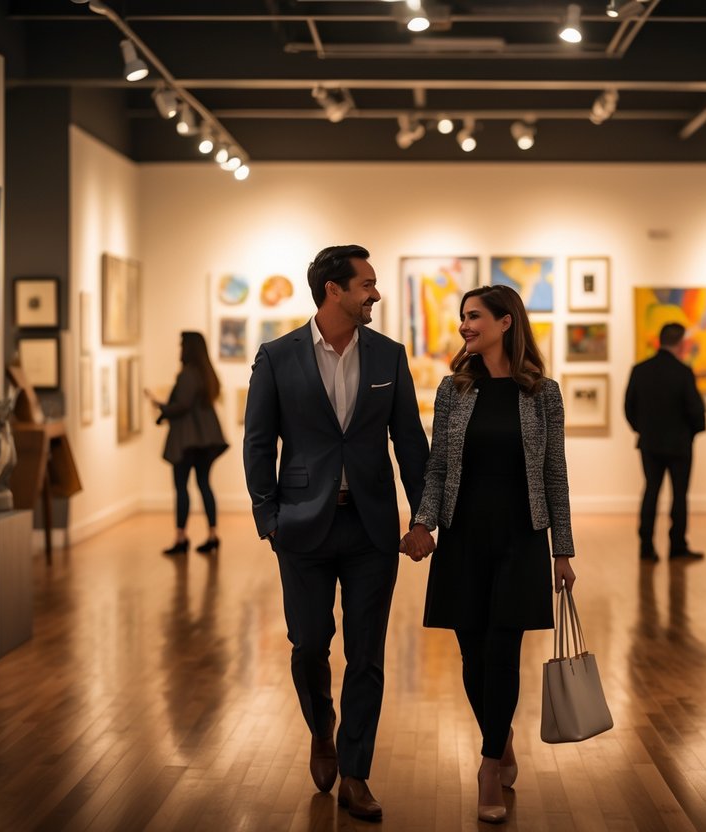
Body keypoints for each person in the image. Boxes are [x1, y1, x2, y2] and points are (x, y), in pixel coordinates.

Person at [243, 244, 428, 821]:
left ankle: (355, 772)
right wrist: (267, 516)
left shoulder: (389, 356)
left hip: (372, 526)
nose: (375, 293)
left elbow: (410, 442)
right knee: (308, 646)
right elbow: (257, 441)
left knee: (367, 654)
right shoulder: (277, 356)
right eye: (366, 284)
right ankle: (322, 728)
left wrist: (423, 517)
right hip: (301, 525)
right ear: (333, 290)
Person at [402, 284, 576, 825]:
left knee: (502, 651)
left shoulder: (541, 392)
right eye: (462, 318)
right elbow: (436, 467)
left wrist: (562, 552)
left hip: (520, 538)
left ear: (506, 322)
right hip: (463, 537)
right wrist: (423, 520)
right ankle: (500, 738)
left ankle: (486, 764)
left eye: (474, 317)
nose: (464, 326)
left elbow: (555, 475)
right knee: (472, 656)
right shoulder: (455, 390)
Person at [624, 322, 706, 562]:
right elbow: (695, 410)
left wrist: (643, 429)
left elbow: (629, 407)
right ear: (680, 343)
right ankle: (677, 545)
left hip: (649, 443)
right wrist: (692, 432)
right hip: (680, 445)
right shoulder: (683, 372)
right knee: (679, 495)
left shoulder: (640, 370)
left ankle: (646, 546)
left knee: (651, 491)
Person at [145, 331, 229, 555]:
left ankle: (181, 537)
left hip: (187, 440)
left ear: (188, 348)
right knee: (204, 484)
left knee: (181, 487)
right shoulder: (207, 374)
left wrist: (161, 407)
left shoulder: (188, 375)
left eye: (181, 345)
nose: (179, 350)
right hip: (207, 439)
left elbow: (181, 405)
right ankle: (212, 534)